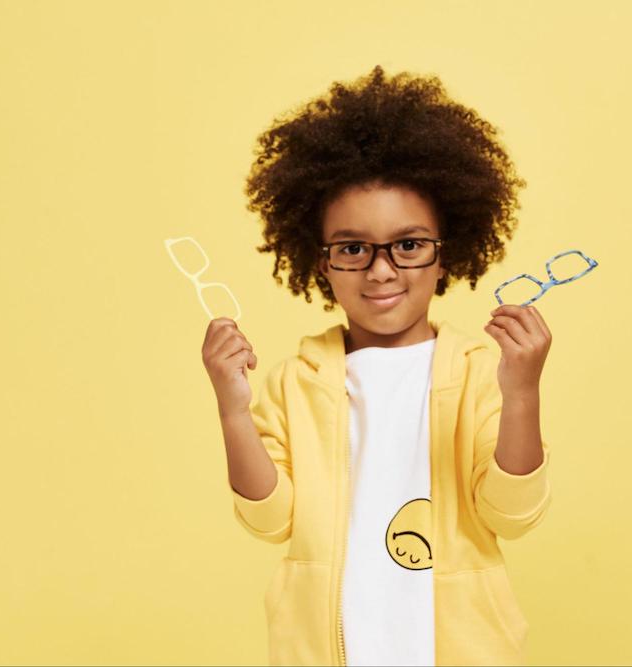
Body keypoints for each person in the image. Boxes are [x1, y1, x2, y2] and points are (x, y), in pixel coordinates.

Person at [203, 65, 553, 666]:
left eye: (409, 245)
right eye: (354, 248)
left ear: (448, 256)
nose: (382, 270)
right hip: (327, 648)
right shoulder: (296, 381)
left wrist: (522, 393)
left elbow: (511, 513)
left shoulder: (475, 373)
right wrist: (232, 410)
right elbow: (271, 519)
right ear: (321, 262)